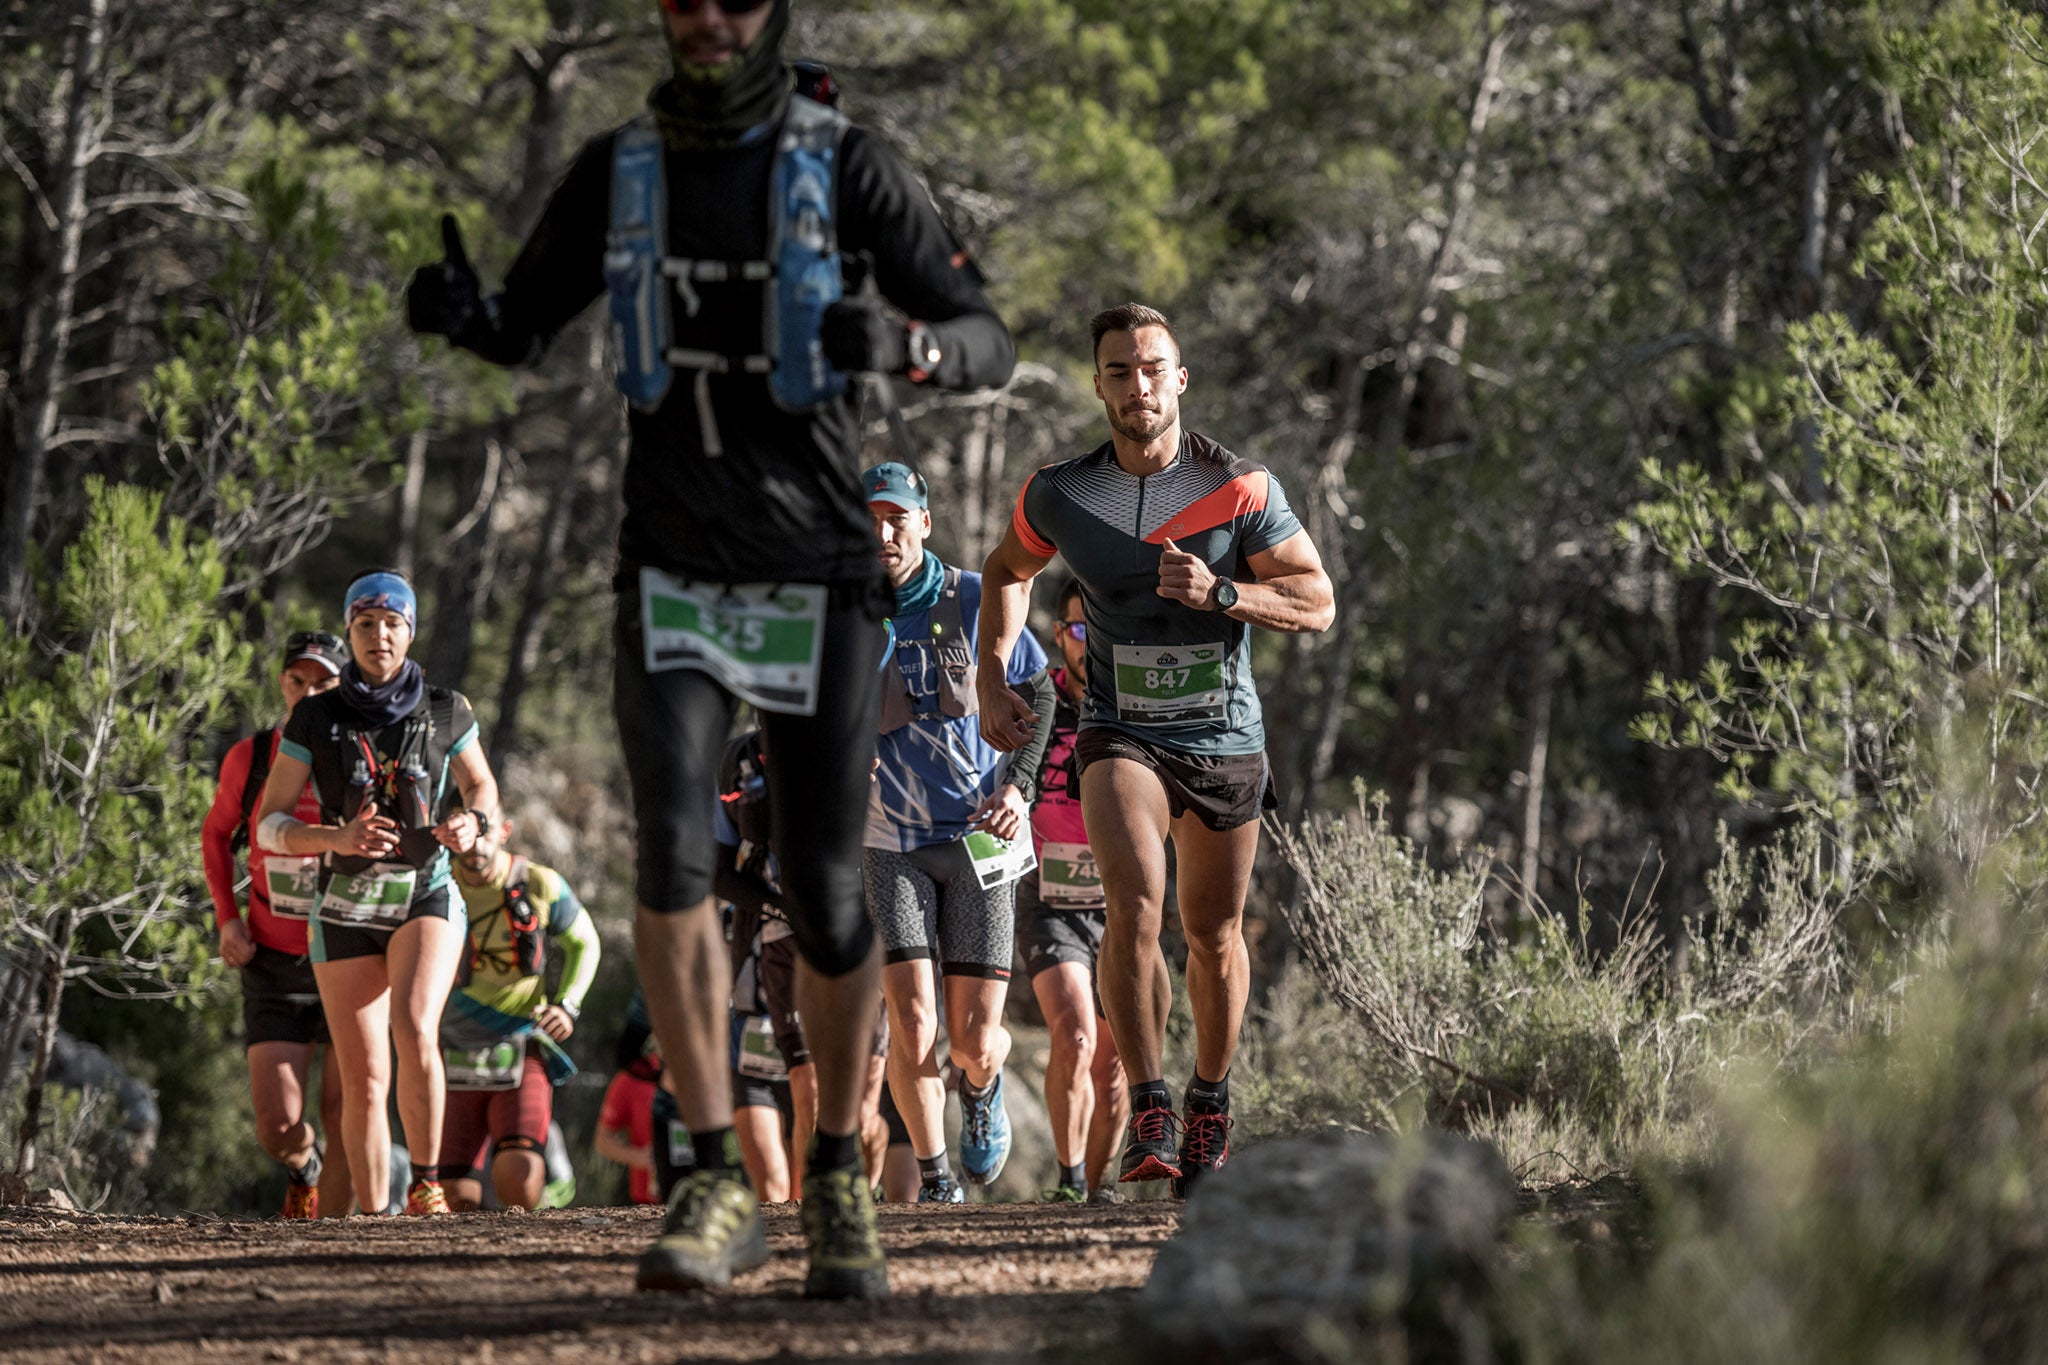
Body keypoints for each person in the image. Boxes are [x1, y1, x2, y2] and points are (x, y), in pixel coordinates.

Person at [406, 0, 1013, 1299]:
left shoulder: (845, 165)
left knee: (822, 882)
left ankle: (841, 1173)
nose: (706, 18)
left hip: (820, 567)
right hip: (673, 564)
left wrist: (908, 346)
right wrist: (465, 316)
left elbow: (985, 338)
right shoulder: (622, 171)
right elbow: (526, 323)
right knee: (677, 856)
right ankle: (712, 1175)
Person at [977, 303, 1334, 1198]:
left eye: (1151, 368)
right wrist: (990, 675)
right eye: (1117, 371)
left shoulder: (1241, 487)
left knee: (1211, 934)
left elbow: (1318, 602)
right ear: (1098, 384)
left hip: (1221, 735)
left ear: (1179, 377)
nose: (1136, 386)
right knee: (1134, 904)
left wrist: (1225, 594)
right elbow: (1003, 573)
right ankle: (1151, 1103)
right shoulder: (1061, 491)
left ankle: (1210, 1095)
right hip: (1117, 726)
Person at [252, 570, 503, 1216]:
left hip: (425, 892)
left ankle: (427, 1184)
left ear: (409, 631)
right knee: (364, 1078)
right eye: (365, 625)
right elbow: (270, 825)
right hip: (344, 905)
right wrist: (336, 836)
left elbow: (483, 789)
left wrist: (470, 824)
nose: (379, 636)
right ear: (350, 632)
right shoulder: (316, 715)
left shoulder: (449, 708)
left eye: (392, 624)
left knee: (415, 1025)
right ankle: (374, 1217)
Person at [862, 461, 1057, 1203]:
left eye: (896, 518)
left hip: (981, 835)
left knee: (974, 1040)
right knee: (912, 1024)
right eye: (870, 519)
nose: (883, 532)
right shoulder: (844, 612)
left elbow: (1039, 690)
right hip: (892, 838)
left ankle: (983, 1085)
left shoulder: (974, 598)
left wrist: (1020, 787)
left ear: (924, 523)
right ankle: (937, 1177)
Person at [201, 631, 356, 1219]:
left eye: (324, 683)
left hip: (350, 954)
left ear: (346, 687)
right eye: (299, 682)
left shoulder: (361, 756)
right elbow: (216, 834)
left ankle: (339, 1241)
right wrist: (226, 919)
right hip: (273, 958)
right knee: (279, 1126)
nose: (309, 693)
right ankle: (303, 1170)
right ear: (283, 685)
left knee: (348, 1111)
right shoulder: (255, 758)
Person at [1016, 580, 1130, 1201]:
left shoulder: (1133, 703)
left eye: (1099, 627)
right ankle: (1065, 1179)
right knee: (1076, 1036)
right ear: (1060, 636)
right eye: (1077, 630)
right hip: (1048, 896)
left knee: (1113, 1063)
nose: (1089, 643)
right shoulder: (1039, 704)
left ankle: (1098, 1185)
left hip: (1121, 901)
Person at [440, 814, 601, 1212]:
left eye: (485, 831)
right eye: (465, 833)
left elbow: (585, 941)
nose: (476, 844)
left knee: (520, 1171)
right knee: (452, 1192)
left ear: (505, 831)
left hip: (521, 1041)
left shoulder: (539, 883)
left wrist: (568, 1004)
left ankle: (528, 1259)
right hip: (447, 1047)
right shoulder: (436, 882)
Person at [598, 1049, 667, 1206]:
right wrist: (640, 1157)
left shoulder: (712, 1071)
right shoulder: (635, 1075)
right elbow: (603, 1140)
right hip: (648, 1201)